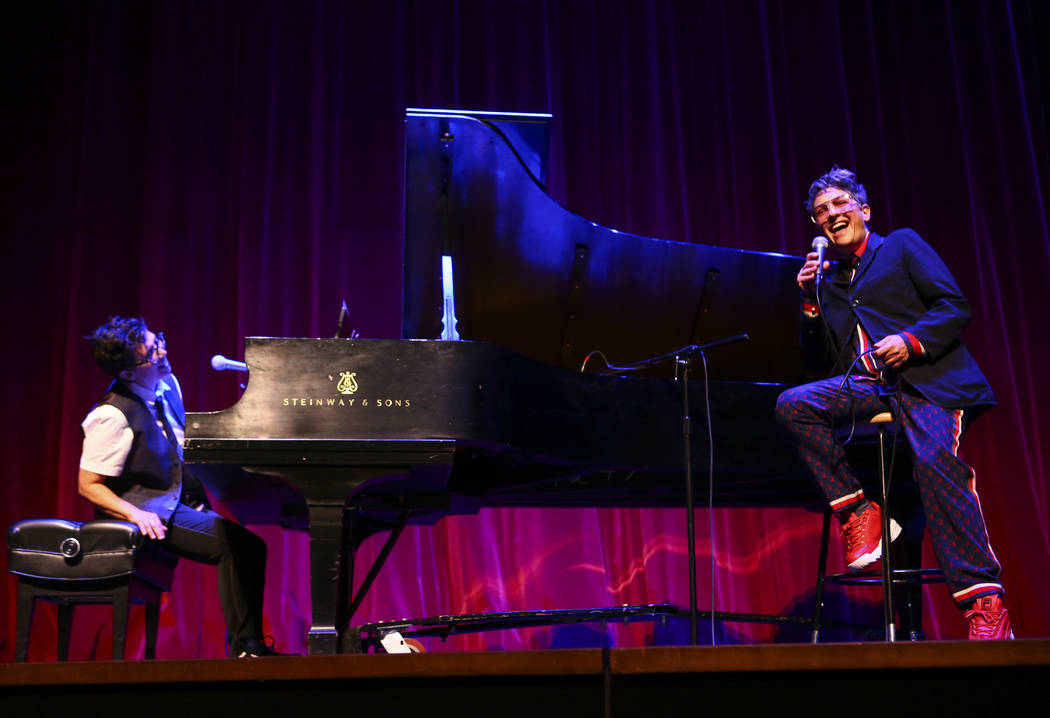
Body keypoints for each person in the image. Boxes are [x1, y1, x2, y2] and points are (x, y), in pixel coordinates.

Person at [775, 167, 1012, 639]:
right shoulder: (826, 281)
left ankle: (986, 604)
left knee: (934, 464)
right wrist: (808, 302)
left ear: (863, 209)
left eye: (840, 204)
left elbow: (953, 305)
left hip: (925, 381)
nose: (831, 214)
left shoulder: (900, 245)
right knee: (793, 403)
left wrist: (910, 340)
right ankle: (860, 513)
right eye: (821, 211)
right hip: (866, 387)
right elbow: (819, 360)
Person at [78, 315, 283, 656]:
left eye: (158, 341)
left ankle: (249, 647)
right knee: (237, 545)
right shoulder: (110, 415)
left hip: (171, 504)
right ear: (128, 372)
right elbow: (88, 485)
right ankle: (247, 650)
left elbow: (176, 449)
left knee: (249, 545)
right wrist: (134, 514)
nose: (163, 351)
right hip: (143, 511)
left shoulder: (168, 384)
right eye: (152, 352)